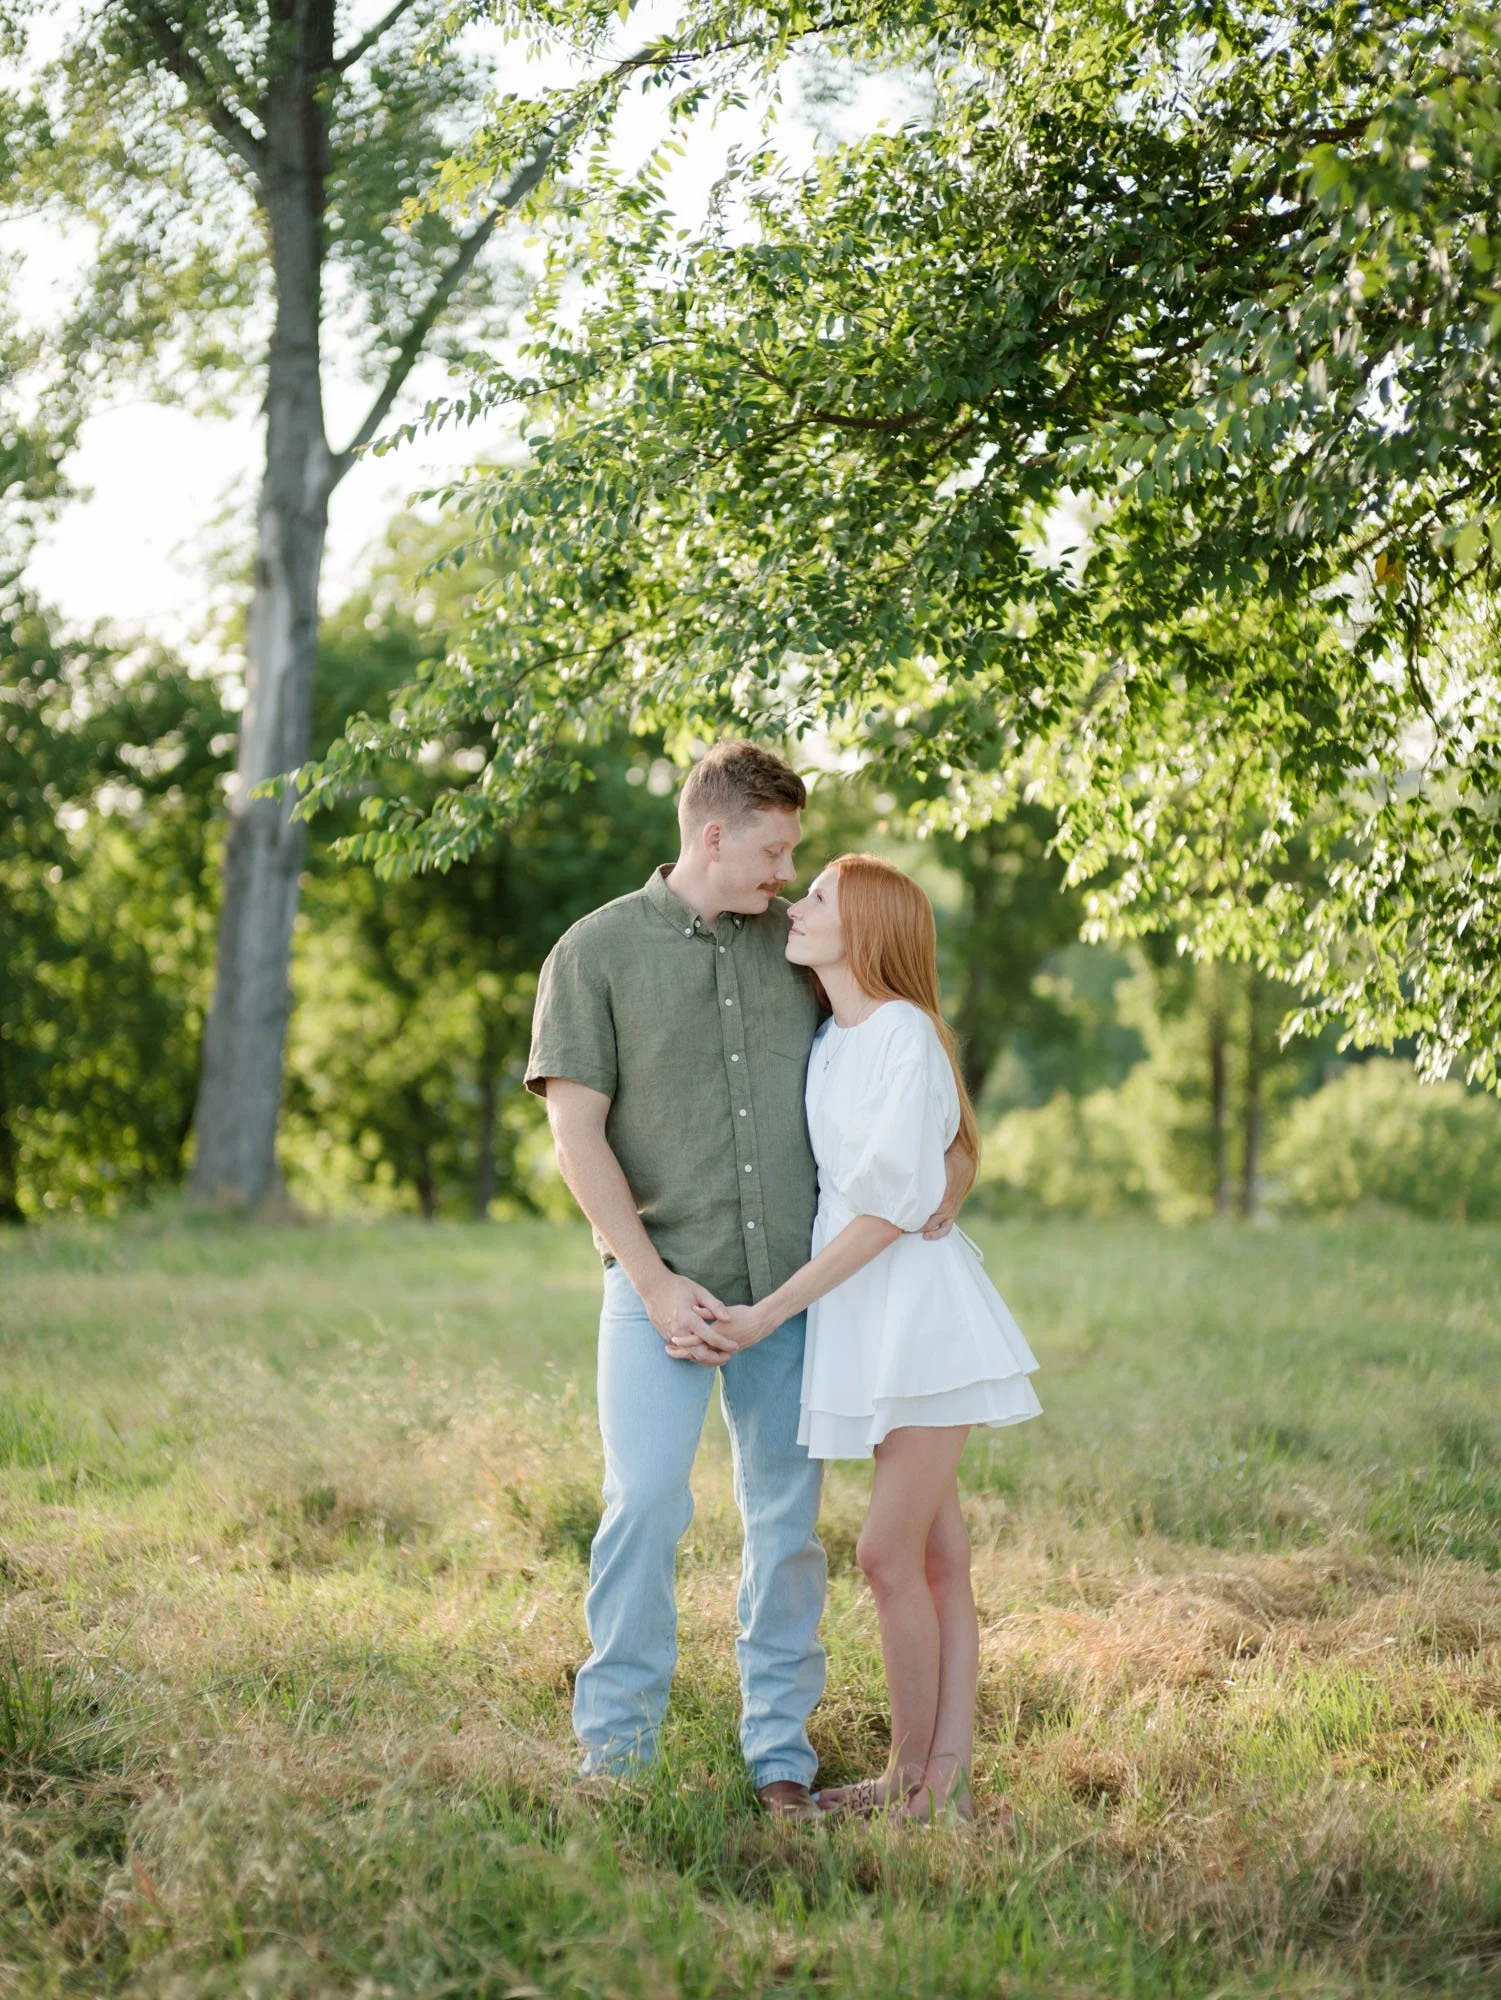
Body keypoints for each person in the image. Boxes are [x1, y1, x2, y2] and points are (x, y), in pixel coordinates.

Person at [525, 745, 972, 1819]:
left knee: (785, 1526)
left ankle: (780, 1753)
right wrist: (652, 1282)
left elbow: (904, 1066)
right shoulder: (594, 951)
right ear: (712, 834)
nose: (787, 871)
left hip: (793, 1297)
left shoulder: (804, 948)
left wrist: (953, 1165)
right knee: (643, 1505)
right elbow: (572, 1134)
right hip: (657, 1293)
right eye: (775, 849)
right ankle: (616, 1755)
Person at [671, 853, 1041, 1826]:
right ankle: (940, 1781)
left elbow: (883, 1208)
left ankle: (909, 1780)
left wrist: (769, 1311)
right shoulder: (836, 1037)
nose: (798, 901)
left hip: (917, 1317)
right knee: (936, 1560)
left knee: (885, 1554)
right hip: (864, 1316)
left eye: (822, 894)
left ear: (866, 926)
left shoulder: (904, 1034)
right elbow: (906, 1168)